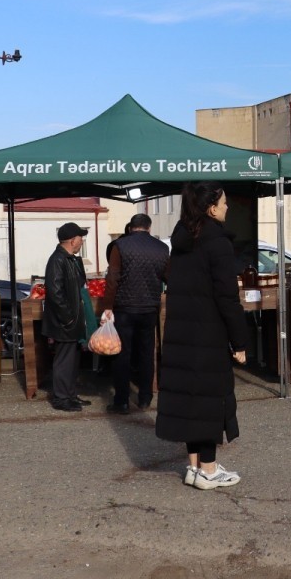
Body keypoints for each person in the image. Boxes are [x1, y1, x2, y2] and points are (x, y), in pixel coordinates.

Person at [156, 182, 248, 491]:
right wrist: (240, 342)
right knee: (211, 399)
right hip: (209, 332)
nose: (227, 207)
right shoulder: (217, 243)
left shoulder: (183, 241)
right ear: (211, 208)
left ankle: (194, 466)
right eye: (223, 203)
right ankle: (208, 470)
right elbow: (227, 298)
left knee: (190, 400)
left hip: (181, 332)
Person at [100, 213, 169, 415]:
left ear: (131, 228)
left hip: (124, 309)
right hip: (149, 309)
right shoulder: (162, 248)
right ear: (148, 227)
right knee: (146, 353)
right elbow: (169, 276)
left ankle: (121, 401)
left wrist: (108, 306)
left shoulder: (119, 247)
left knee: (122, 354)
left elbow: (112, 278)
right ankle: (145, 397)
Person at [42, 222, 90, 412]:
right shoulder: (57, 260)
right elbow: (55, 292)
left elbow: (78, 285)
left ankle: (70, 394)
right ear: (72, 240)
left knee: (73, 358)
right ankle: (61, 398)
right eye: (80, 238)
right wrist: (68, 318)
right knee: (64, 360)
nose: (82, 241)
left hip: (72, 320)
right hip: (64, 322)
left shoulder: (70, 259)